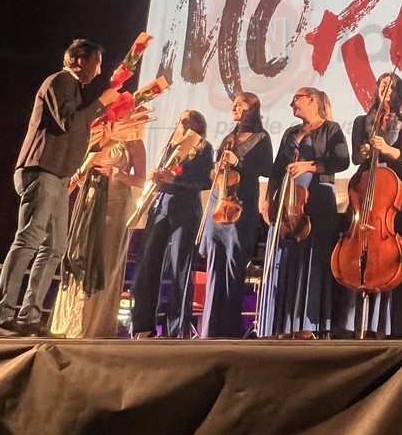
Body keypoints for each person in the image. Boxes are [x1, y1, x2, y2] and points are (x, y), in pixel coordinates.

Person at [0, 39, 119, 338]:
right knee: (29, 239)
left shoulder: (74, 89)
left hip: (59, 174)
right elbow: (67, 122)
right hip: (43, 168)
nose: (99, 71)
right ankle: (1, 317)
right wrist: (101, 104)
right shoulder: (60, 81)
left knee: (56, 247)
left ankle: (29, 317)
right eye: (96, 63)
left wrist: (100, 136)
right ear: (79, 60)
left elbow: (73, 132)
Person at [259, 88, 350, 338]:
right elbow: (277, 169)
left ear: (312, 100)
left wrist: (309, 166)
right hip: (287, 204)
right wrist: (268, 200)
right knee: (287, 261)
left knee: (312, 262)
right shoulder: (290, 132)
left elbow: (342, 161)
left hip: (318, 203)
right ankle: (282, 325)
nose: (291, 104)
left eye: (295, 99)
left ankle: (307, 326)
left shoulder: (331, 129)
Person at [334, 73, 402, 338]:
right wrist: (364, 152)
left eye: (392, 87)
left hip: (391, 186)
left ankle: (383, 325)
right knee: (357, 242)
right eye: (383, 85)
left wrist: (386, 149)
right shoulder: (361, 121)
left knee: (386, 251)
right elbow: (356, 158)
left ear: (398, 93)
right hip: (365, 183)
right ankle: (354, 323)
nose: (386, 90)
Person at [49, 134, 146, 338]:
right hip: (89, 201)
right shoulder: (99, 133)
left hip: (116, 205)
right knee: (80, 258)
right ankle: (71, 322)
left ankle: (96, 325)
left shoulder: (134, 141)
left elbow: (141, 180)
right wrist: (79, 175)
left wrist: (117, 173)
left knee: (104, 260)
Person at [129, 110, 213, 338]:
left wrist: (177, 179)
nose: (182, 121)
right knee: (147, 266)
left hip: (185, 210)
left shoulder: (203, 147)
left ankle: (175, 329)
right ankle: (143, 326)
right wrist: (156, 176)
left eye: (189, 119)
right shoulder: (170, 145)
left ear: (198, 124)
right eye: (181, 118)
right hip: (160, 206)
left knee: (180, 269)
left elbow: (205, 181)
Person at [199, 93, 273, 339]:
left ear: (252, 109)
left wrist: (239, 161)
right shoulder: (229, 137)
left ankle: (229, 329)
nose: (234, 107)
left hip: (241, 209)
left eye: (240, 104)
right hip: (218, 204)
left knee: (233, 268)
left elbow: (267, 168)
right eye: (234, 104)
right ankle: (209, 329)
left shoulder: (262, 138)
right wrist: (218, 166)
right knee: (214, 267)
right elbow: (215, 172)